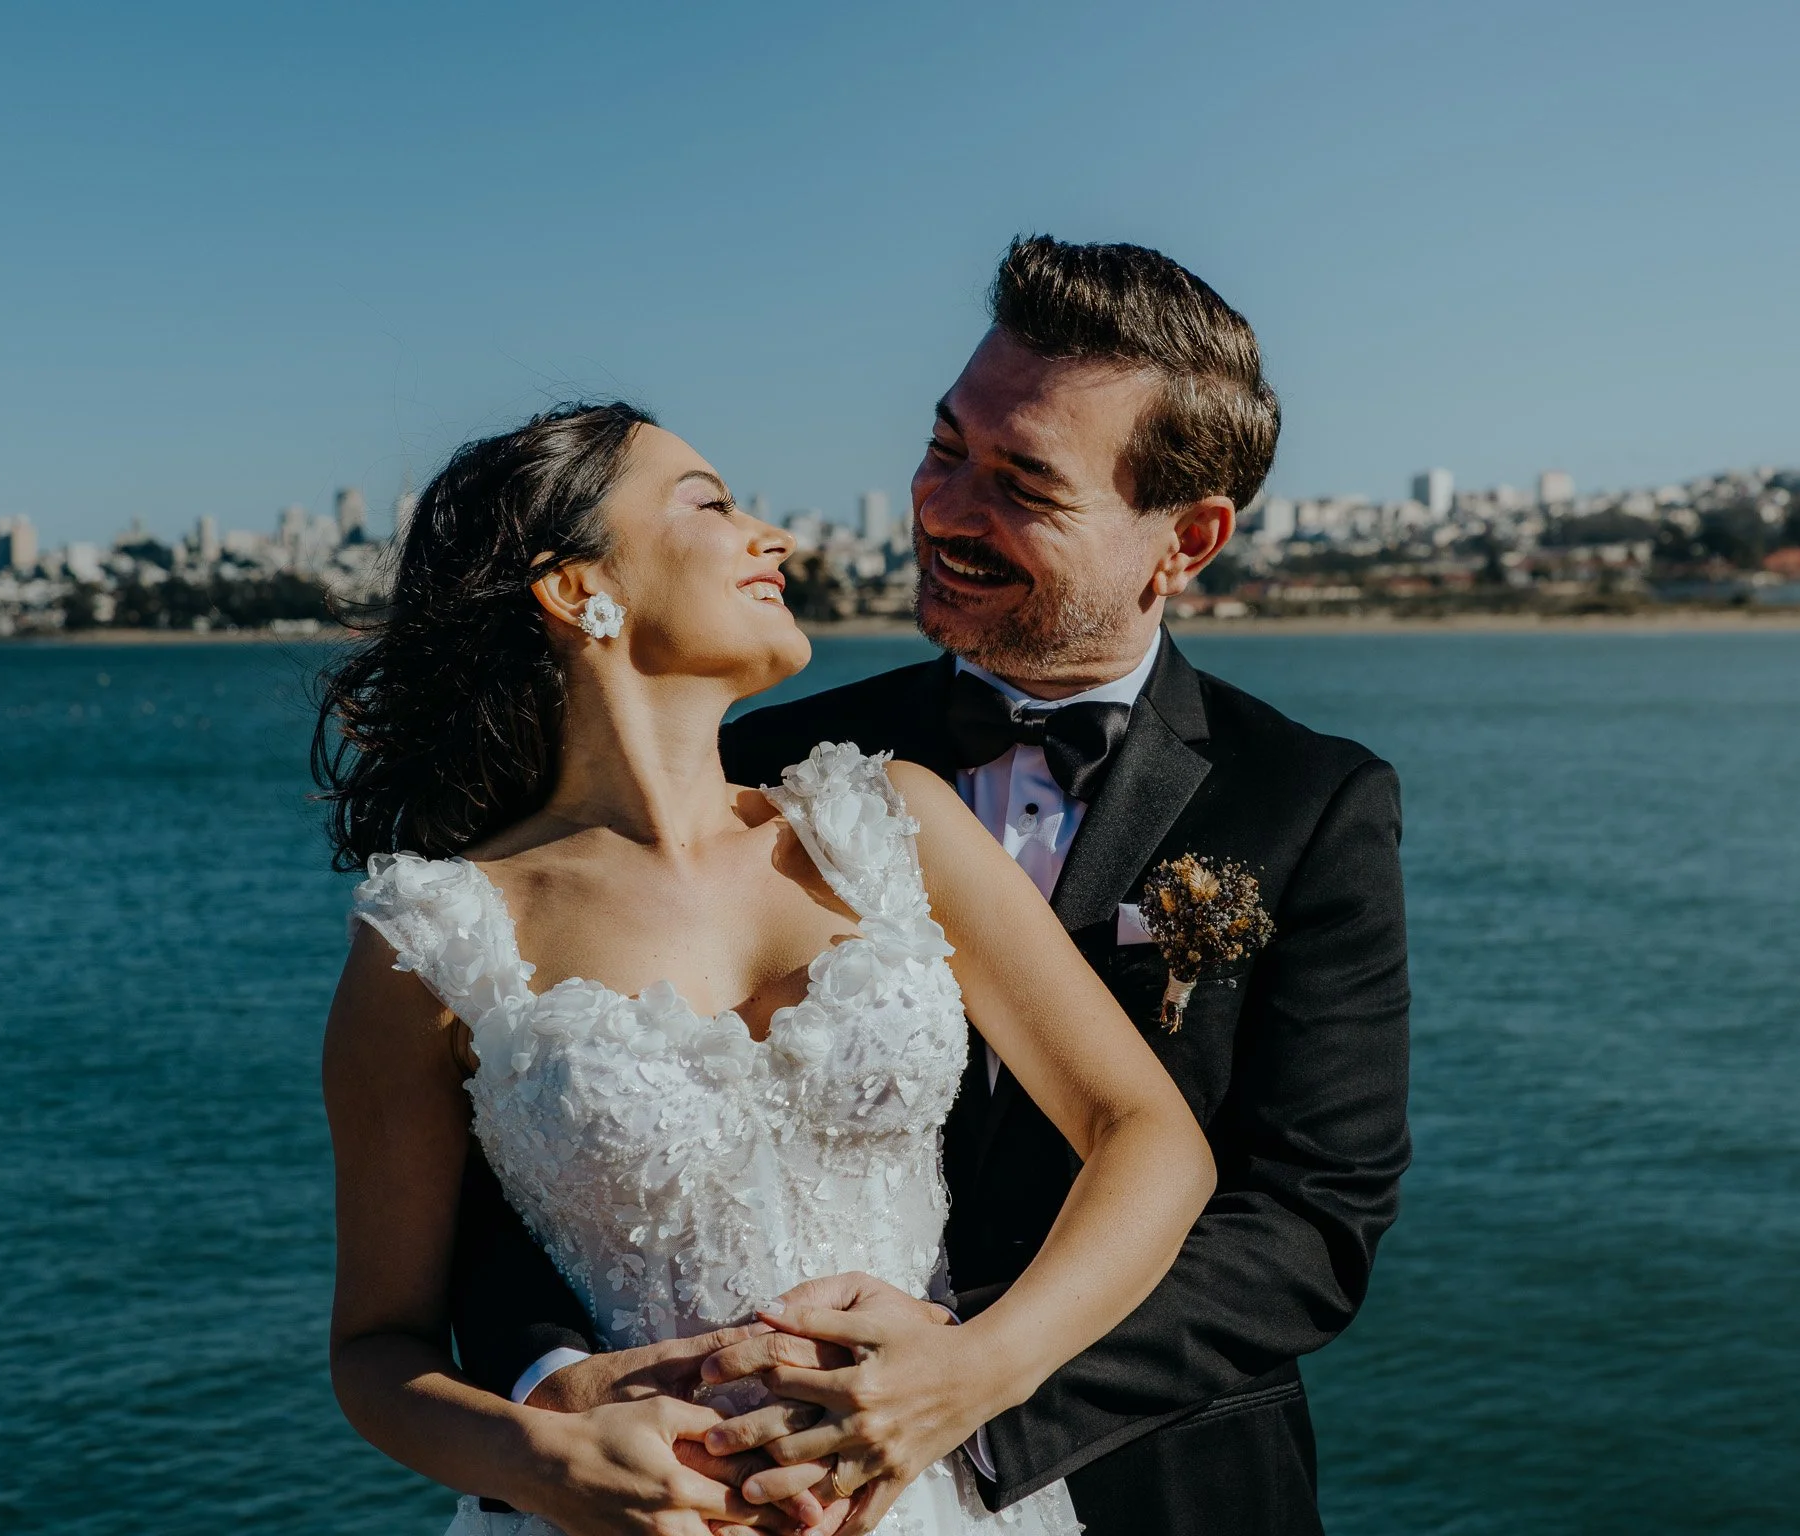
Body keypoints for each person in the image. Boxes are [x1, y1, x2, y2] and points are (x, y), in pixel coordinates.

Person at [453, 237, 1413, 1536]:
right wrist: (558, 1384)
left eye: (1023, 483)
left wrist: (976, 1391)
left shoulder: (1309, 804)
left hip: (1165, 1488)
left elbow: (1309, 1222)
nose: (947, 509)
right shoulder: (755, 762)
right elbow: (530, 1147)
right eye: (945, 445)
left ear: (1185, 540)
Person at [315, 398, 1216, 1536]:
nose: (772, 536)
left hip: (930, 1492)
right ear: (573, 587)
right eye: (710, 503)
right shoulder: (436, 937)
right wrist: (542, 1455)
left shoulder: (892, 825)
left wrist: (972, 1373)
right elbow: (375, 1349)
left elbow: (1150, 1138)